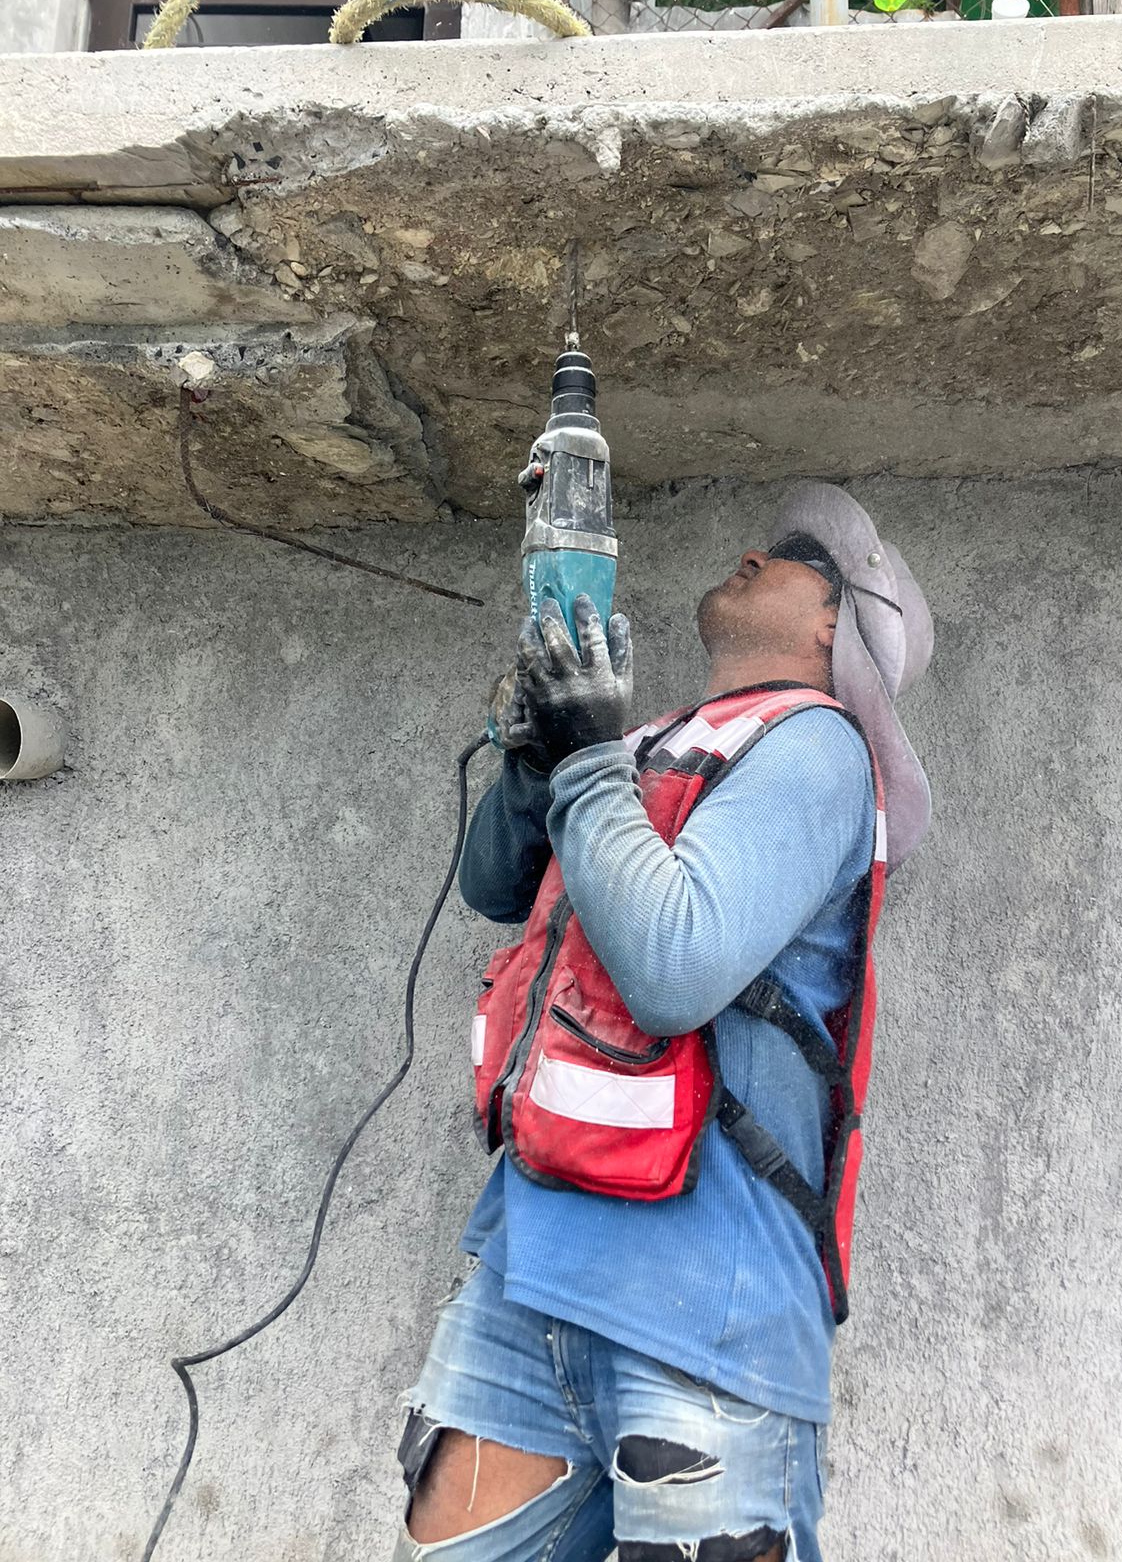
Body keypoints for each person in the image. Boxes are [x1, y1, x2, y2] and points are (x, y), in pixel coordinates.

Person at [392, 482, 933, 1562]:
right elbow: (495, 884)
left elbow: (674, 969)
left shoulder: (819, 749)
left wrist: (587, 760)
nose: (754, 554)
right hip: (529, 1273)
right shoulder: (652, 743)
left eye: (793, 558)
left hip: (708, 1310)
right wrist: (542, 759)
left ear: (835, 631)